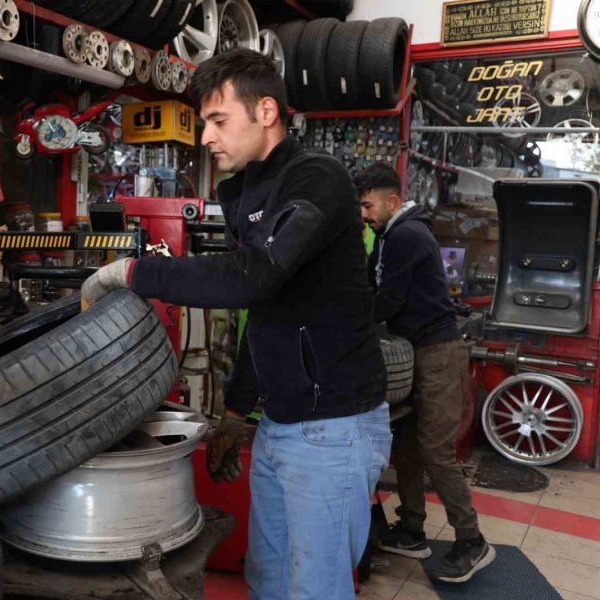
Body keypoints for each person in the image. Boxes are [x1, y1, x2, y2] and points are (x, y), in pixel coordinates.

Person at [81, 48, 391, 600]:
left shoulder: (315, 179)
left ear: (266, 111)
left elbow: (254, 277)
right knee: (268, 579)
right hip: (280, 426)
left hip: (332, 429)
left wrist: (134, 271)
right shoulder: (248, 193)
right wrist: (232, 414)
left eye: (218, 120)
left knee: (314, 589)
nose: (206, 137)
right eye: (205, 123)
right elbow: (267, 314)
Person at [356, 163, 495, 583]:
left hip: (436, 352)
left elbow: (387, 302)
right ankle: (413, 527)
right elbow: (369, 290)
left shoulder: (407, 236)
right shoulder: (385, 238)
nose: (363, 213)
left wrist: (344, 325)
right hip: (414, 351)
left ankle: (472, 540)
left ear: (392, 201)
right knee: (409, 444)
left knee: (436, 449)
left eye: (367, 204)